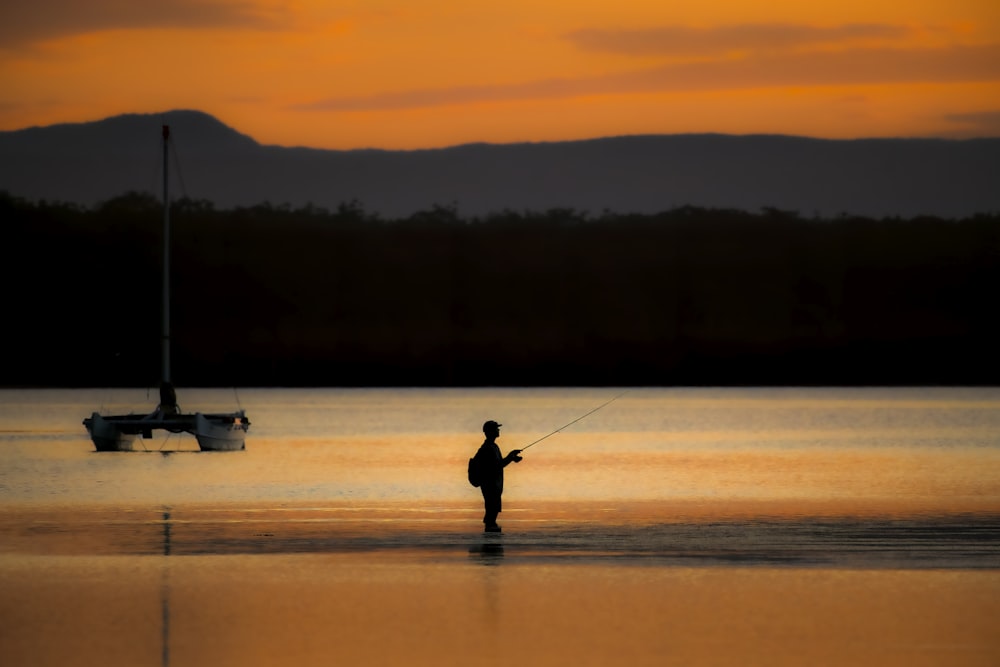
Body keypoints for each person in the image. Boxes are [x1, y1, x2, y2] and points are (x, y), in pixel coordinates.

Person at [473, 420, 523, 533]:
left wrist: (511, 457)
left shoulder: (493, 446)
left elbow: (499, 464)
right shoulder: (489, 448)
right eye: (496, 428)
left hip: (494, 484)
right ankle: (490, 533)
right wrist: (510, 457)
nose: (498, 430)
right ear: (490, 432)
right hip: (490, 485)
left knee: (492, 509)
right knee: (492, 510)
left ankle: (490, 531)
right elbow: (498, 465)